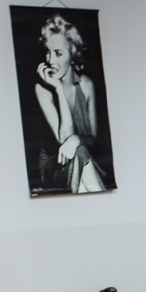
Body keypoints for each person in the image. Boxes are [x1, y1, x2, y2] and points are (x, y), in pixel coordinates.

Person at [32, 14, 108, 193]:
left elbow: (93, 138)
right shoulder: (42, 89)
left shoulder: (86, 85)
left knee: (80, 153)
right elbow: (62, 140)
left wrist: (76, 140)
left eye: (58, 53)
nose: (50, 60)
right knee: (80, 152)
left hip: (81, 157)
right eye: (48, 52)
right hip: (54, 165)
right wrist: (58, 89)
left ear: (72, 53)